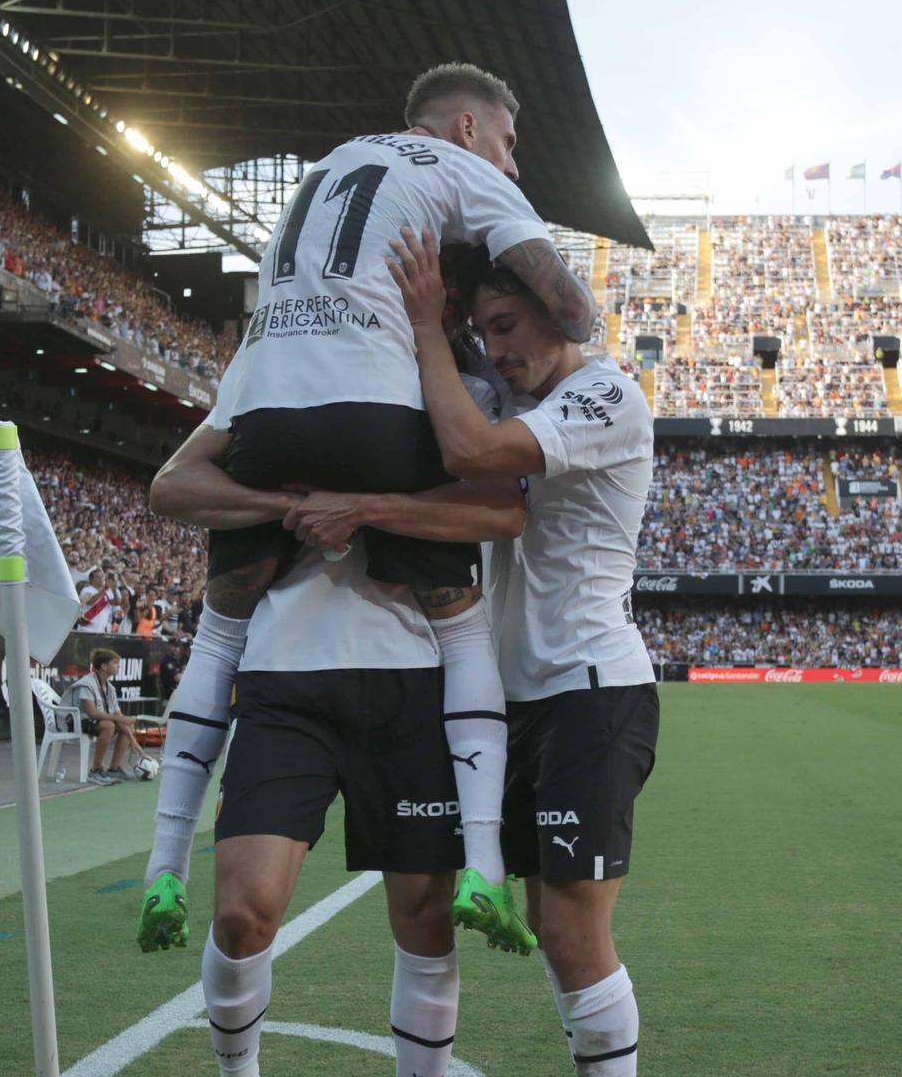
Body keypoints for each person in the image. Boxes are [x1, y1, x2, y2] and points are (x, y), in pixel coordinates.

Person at [142, 61, 595, 963]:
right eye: (508, 145)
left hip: (268, 406)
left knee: (220, 632)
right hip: (380, 414)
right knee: (462, 627)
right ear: (466, 128)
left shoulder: (322, 170)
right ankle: (481, 868)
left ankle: (162, 866)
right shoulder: (463, 180)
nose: (512, 168)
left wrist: (286, 504)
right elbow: (571, 309)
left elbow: (171, 489)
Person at [389, 233, 659, 1077]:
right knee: (552, 928)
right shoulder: (532, 400)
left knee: (570, 931)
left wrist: (426, 329)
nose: (494, 349)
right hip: (530, 699)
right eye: (481, 331)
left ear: (555, 314)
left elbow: (475, 457)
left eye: (505, 327)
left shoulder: (601, 397)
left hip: (591, 693)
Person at [166, 502, 525, 1077]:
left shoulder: (429, 407)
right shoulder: (269, 398)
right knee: (242, 914)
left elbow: (499, 504)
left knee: (426, 920)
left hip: (412, 683)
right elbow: (177, 481)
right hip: (281, 681)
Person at [67, 647, 141, 786]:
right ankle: (96, 770)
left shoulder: (110, 688)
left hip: (92, 721)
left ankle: (113, 769)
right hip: (75, 720)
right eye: (115, 663)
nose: (118, 666)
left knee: (127, 725)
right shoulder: (87, 684)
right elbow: (92, 713)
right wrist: (120, 719)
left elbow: (117, 714)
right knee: (109, 725)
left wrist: (133, 741)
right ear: (104, 666)